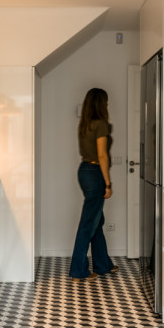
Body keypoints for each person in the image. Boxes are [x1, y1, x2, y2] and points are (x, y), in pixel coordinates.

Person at [69, 88, 119, 281]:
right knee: (88, 224)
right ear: (101, 104)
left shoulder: (85, 124)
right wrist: (108, 183)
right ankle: (78, 271)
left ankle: (103, 264)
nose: (107, 105)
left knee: (96, 221)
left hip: (84, 171)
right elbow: (102, 155)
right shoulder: (101, 125)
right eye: (105, 102)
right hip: (95, 173)